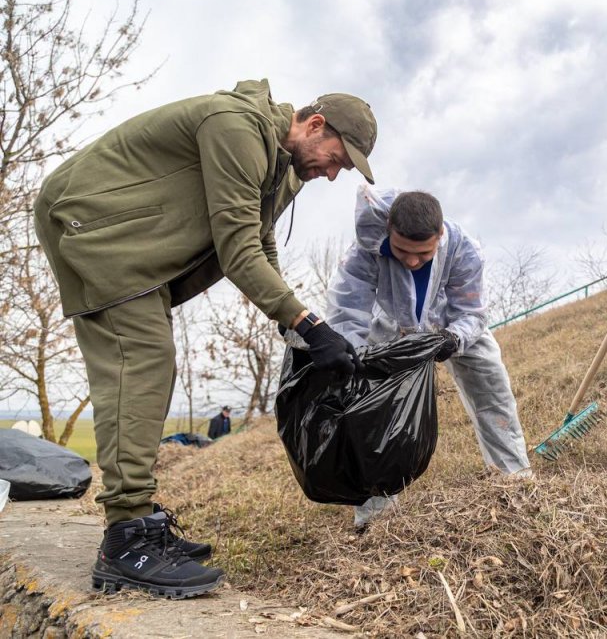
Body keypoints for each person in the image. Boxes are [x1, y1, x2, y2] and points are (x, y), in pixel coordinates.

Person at [32, 79, 375, 598]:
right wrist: (311, 324)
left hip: (136, 251)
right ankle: (125, 540)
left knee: (153, 366)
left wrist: (292, 323)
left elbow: (259, 242)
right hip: (97, 230)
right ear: (315, 125)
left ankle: (139, 523)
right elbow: (236, 248)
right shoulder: (236, 127)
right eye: (336, 158)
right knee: (142, 361)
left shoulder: (282, 171)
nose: (331, 173)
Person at [326, 188, 531, 526]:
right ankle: (375, 516)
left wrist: (454, 338)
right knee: (376, 414)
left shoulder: (464, 249)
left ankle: (515, 480)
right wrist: (353, 356)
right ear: (389, 229)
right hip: (391, 331)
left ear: (440, 236)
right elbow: (347, 311)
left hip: (453, 326)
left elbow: (472, 310)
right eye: (402, 250)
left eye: (423, 253)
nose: (411, 260)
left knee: (493, 391)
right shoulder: (365, 251)